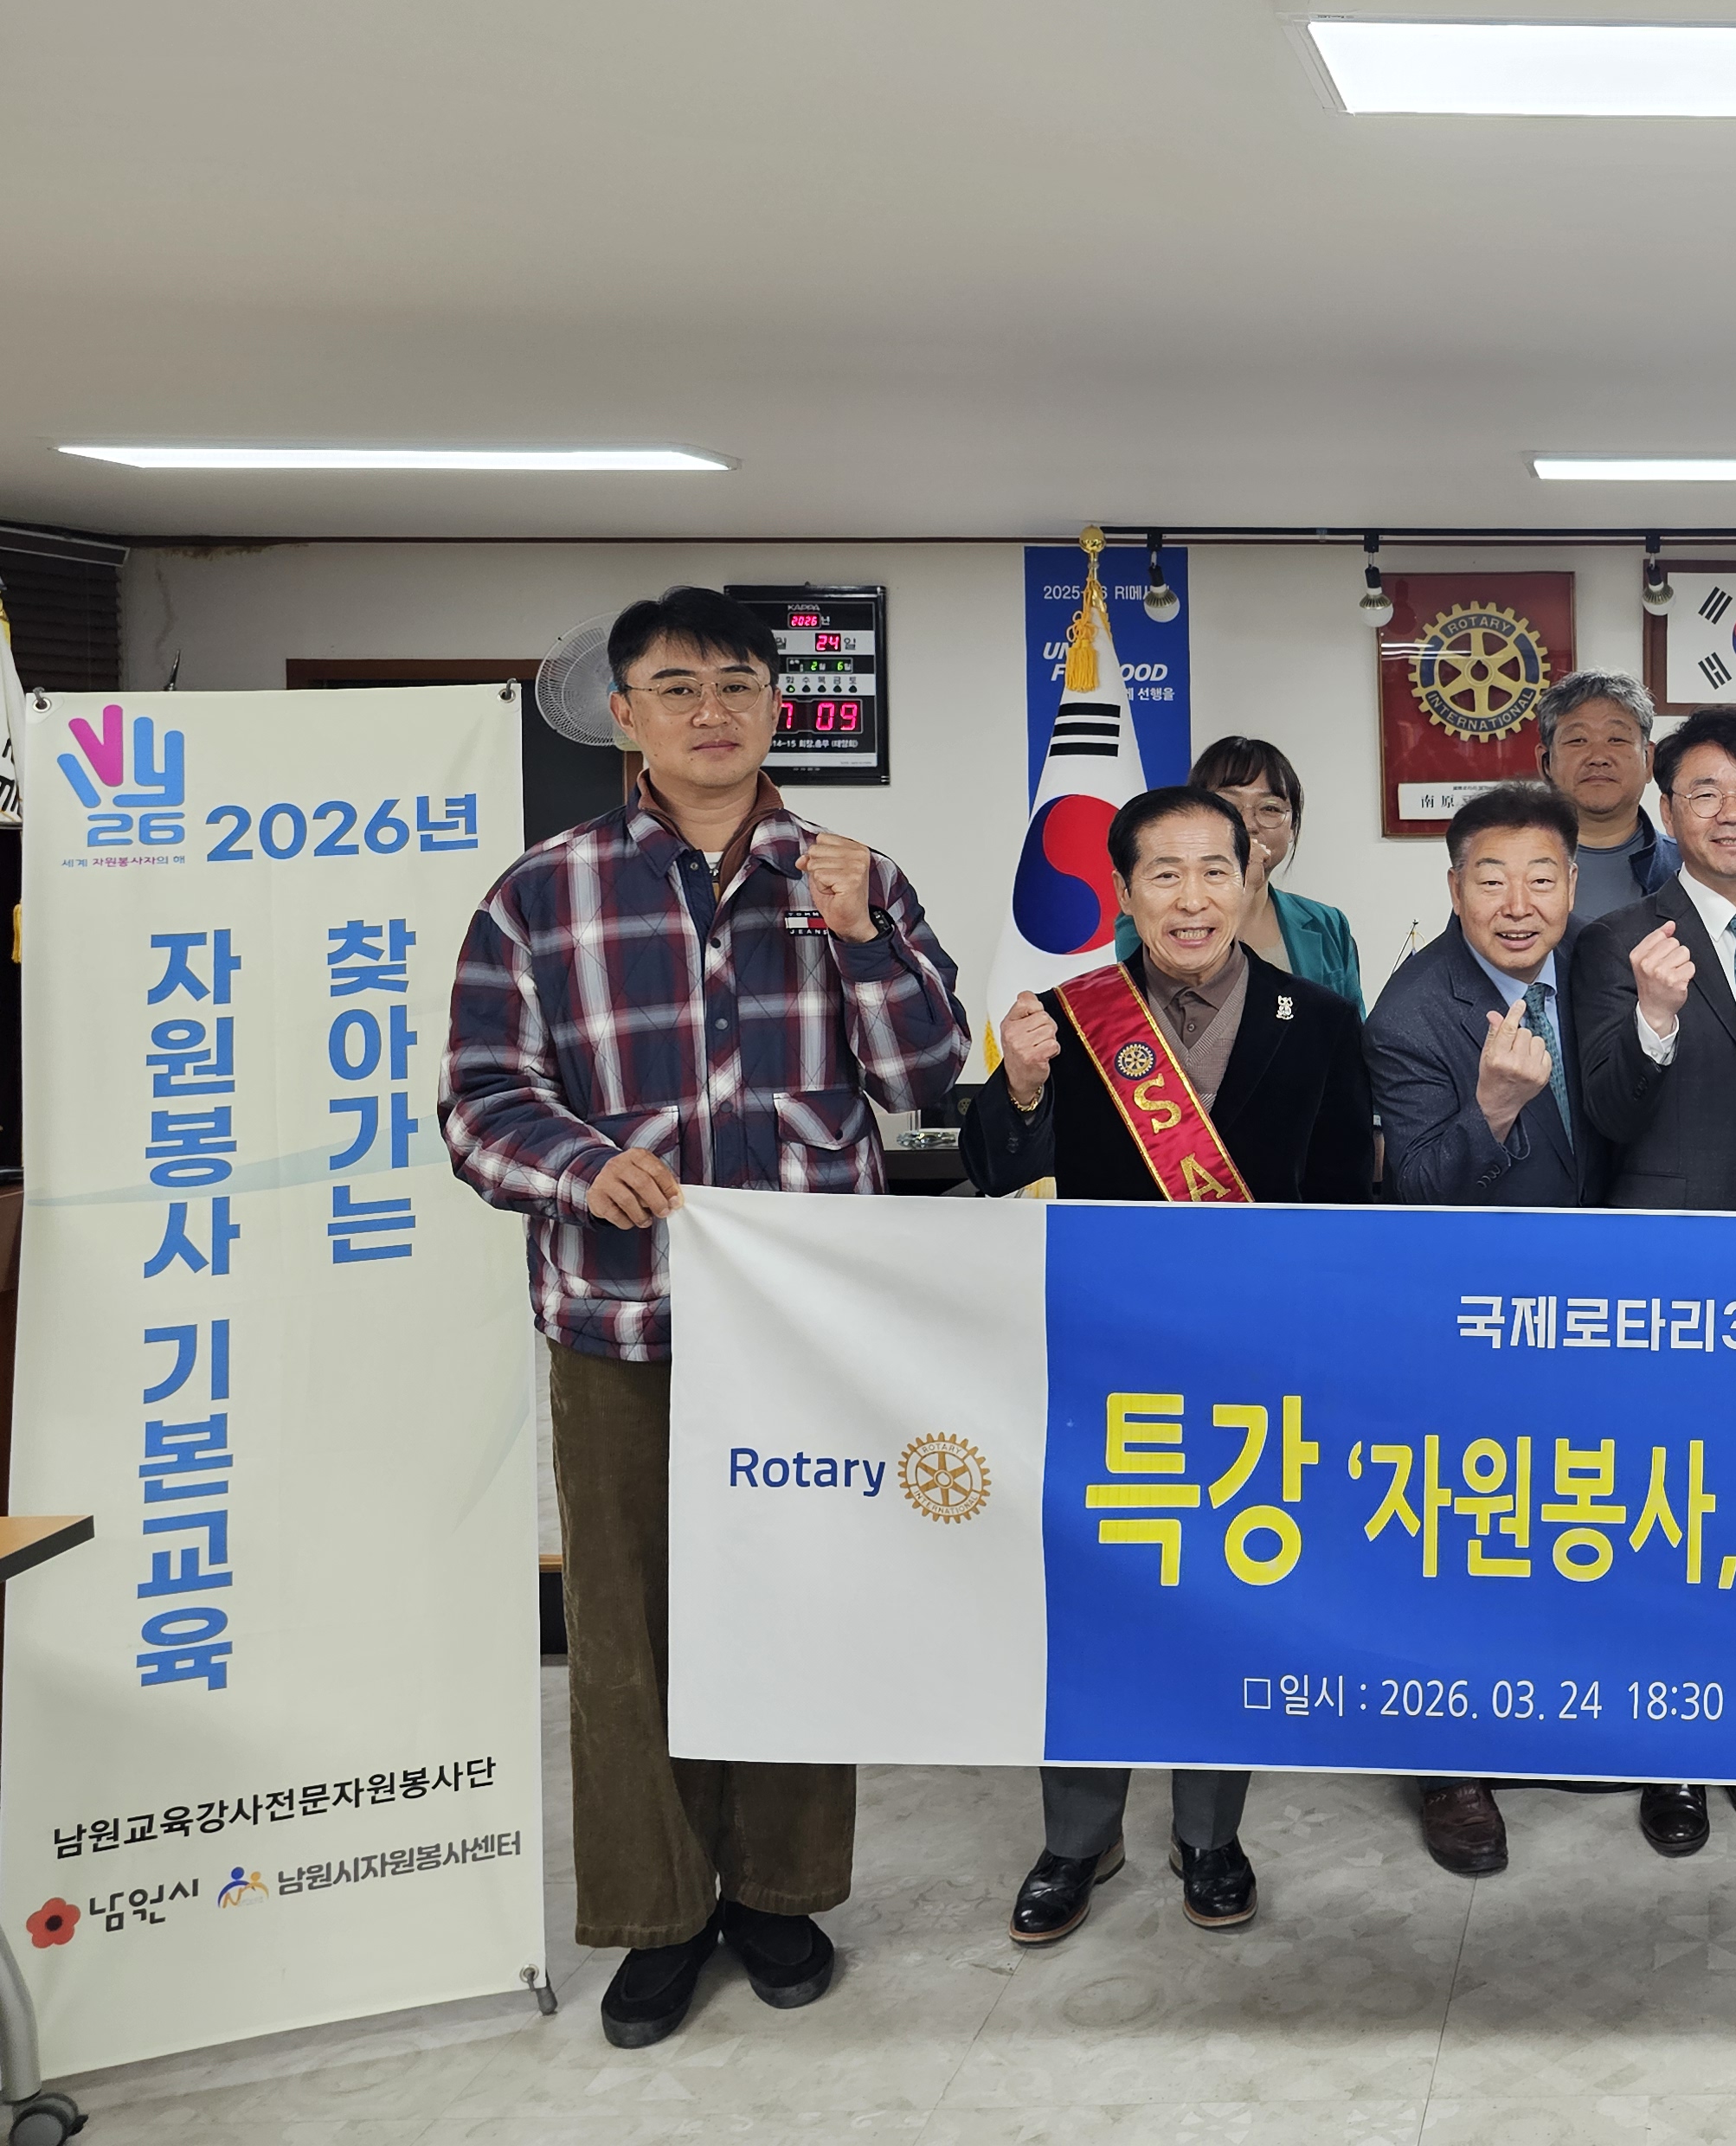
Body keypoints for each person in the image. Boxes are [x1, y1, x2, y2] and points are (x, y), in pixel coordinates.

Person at [440, 587, 969, 2051]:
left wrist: (866, 941)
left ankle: (784, 1894)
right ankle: (660, 1916)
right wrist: (579, 1167)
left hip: (808, 1330)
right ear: (625, 716)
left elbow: (927, 1080)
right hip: (622, 1321)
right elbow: (479, 1099)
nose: (712, 712)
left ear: (779, 706)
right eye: (676, 688)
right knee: (627, 1630)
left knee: (801, 1602)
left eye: (738, 683)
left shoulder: (853, 874)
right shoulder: (542, 894)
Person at [963, 787, 1374, 1947]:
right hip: (1109, 1364)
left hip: (1256, 1367)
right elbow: (993, 1172)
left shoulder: (1319, 1019)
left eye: (1214, 871)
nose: (1192, 899)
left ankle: (1209, 1834)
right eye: (1164, 874)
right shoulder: (1066, 1016)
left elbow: (1346, 1201)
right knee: (1098, 1600)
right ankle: (1076, 1837)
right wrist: (1022, 1084)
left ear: (1251, 879)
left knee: (1227, 1597)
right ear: (1124, 892)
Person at [1566, 705, 1736, 1867]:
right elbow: (1609, 1112)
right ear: (1668, 812)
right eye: (1706, 791)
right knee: (1672, 1520)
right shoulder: (1613, 939)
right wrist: (1656, 1019)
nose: (1732, 811)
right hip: (1672, 1278)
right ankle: (1669, 1748)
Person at [1366, 781, 1599, 1879]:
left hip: (1591, 1311)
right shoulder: (1413, 1012)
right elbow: (1414, 1190)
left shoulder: (1599, 969)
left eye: (1541, 878)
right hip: (1470, 1322)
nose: (1518, 904)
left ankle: (1549, 1717)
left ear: (1573, 884)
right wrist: (1494, 1106)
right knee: (1463, 1537)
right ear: (1454, 888)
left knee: (1571, 1523)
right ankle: (1447, 1765)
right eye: (1491, 879)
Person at [1176, 733, 1365, 1011]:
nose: (1249, 824)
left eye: (1270, 808)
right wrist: (1243, 888)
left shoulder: (1327, 924)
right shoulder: (1153, 916)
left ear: (1292, 828)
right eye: (1228, 806)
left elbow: (1352, 1028)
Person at [1540, 670, 1683, 926]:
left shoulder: (1690, 866)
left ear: (1648, 760)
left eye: (1617, 739)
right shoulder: (1500, 870)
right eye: (1578, 740)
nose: (1598, 757)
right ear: (1546, 762)